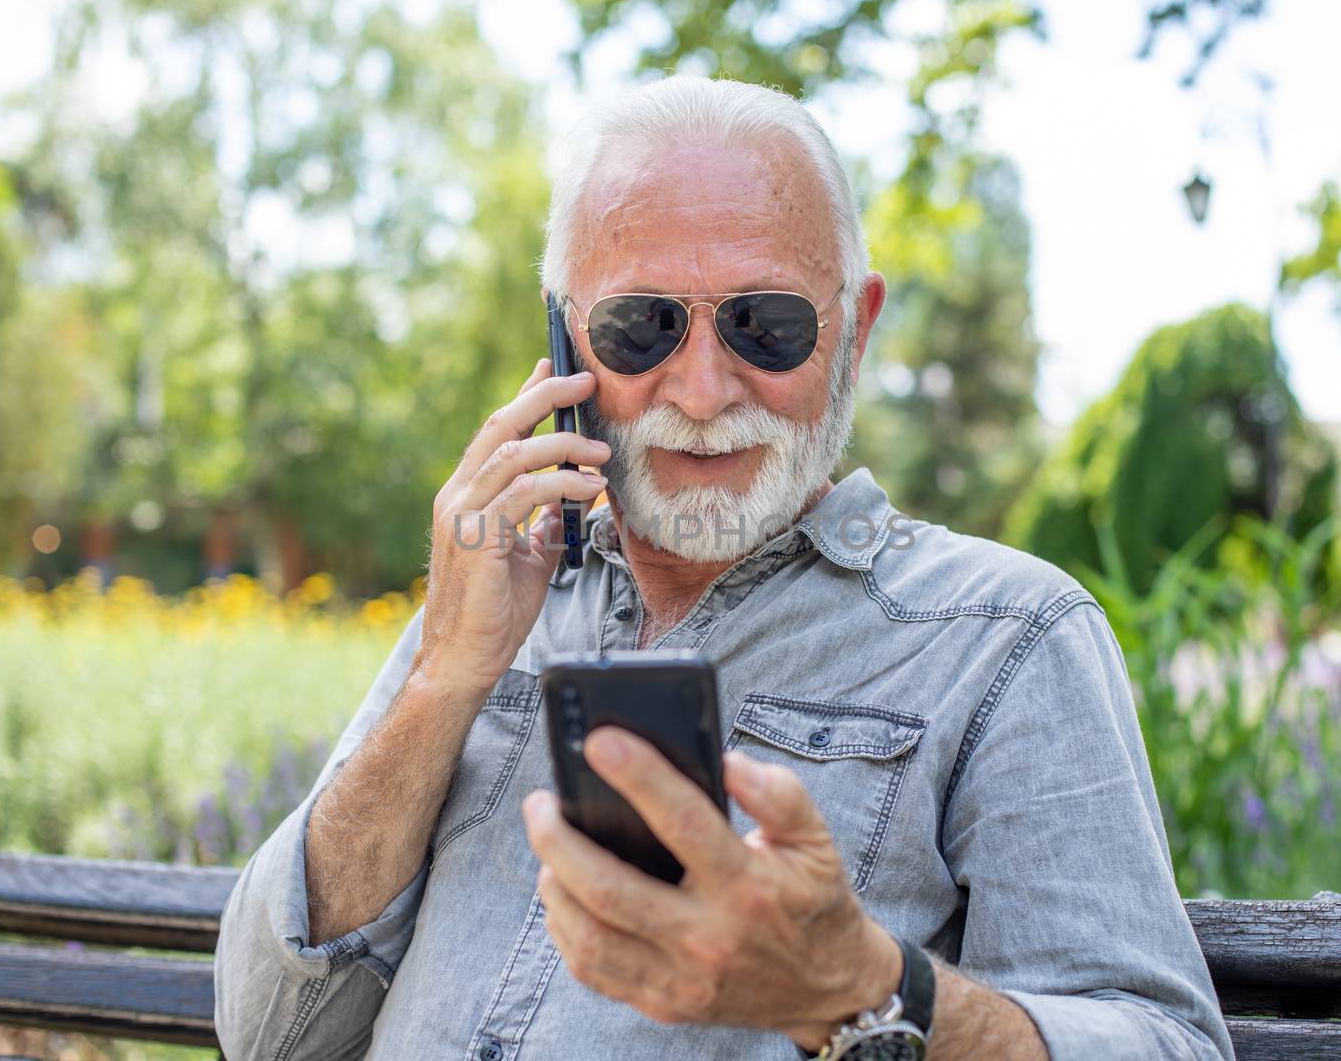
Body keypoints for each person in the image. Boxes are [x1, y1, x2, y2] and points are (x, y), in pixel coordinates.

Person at [213, 75, 1234, 1061]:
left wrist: (857, 988)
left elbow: (1164, 1041)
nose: (702, 390)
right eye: (640, 325)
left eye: (768, 324)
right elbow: (267, 1032)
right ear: (565, 336)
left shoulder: (1004, 635)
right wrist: (441, 679)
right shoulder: (490, 600)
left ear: (856, 330)